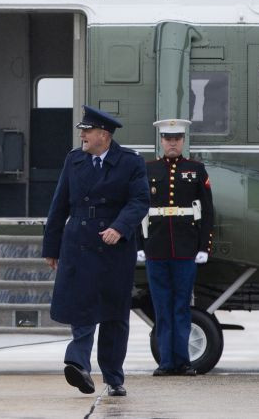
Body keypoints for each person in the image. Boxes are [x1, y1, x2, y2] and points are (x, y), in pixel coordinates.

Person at [42, 105, 149, 397]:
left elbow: (139, 201)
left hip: (115, 249)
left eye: (87, 131)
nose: (83, 136)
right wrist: (51, 246)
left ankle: (114, 376)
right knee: (82, 306)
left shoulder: (130, 162)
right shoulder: (74, 160)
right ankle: (78, 365)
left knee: (114, 314)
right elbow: (59, 203)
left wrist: (120, 227)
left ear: (104, 134)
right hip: (78, 243)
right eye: (83, 131)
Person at [139, 119, 214, 376]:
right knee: (161, 307)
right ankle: (166, 362)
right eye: (168, 139)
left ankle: (182, 362)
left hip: (185, 249)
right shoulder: (148, 170)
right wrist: (140, 244)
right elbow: (139, 209)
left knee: (181, 306)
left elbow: (207, 211)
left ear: (182, 141)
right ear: (161, 141)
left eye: (177, 139)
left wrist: (204, 246)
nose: (172, 143)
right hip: (156, 249)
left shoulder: (196, 169)